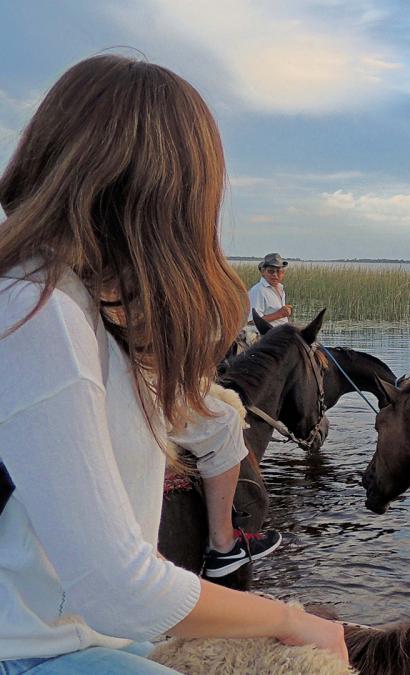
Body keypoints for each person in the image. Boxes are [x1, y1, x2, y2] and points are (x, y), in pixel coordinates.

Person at [0, 54, 347, 672]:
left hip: (84, 637)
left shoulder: (83, 305)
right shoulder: (40, 311)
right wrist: (293, 618)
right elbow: (117, 588)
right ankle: (221, 545)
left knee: (216, 415)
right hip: (35, 649)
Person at [248, 253, 292, 327]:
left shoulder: (280, 289)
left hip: (279, 335)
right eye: (271, 271)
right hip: (266, 336)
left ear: (283, 273)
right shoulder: (258, 290)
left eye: (278, 271)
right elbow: (251, 322)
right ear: (263, 272)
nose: (275, 274)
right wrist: (279, 314)